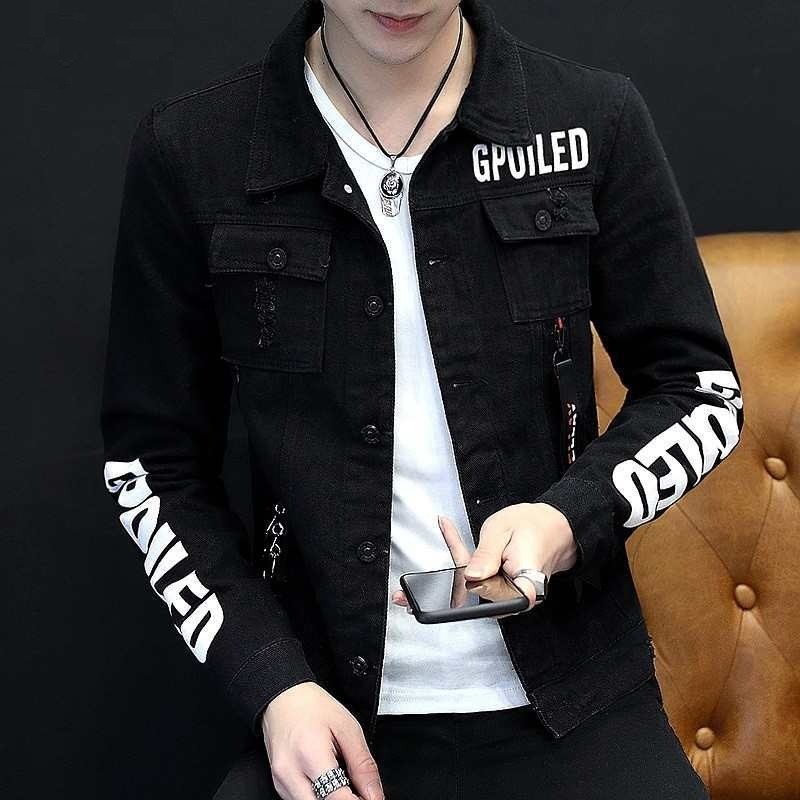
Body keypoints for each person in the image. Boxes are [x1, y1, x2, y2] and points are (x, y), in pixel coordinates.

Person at [100, 0, 744, 797]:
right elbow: (150, 466)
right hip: (327, 704)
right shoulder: (195, 149)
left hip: (579, 696)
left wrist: (566, 519)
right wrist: (273, 686)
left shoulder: (590, 118)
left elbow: (701, 390)